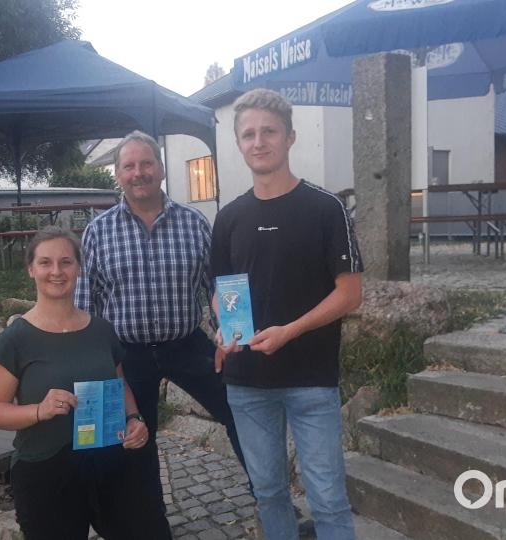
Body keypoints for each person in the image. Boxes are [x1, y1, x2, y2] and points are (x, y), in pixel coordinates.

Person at [211, 88, 364, 540]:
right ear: (239, 143)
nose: (259, 142)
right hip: (247, 383)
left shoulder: (326, 208)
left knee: (329, 499)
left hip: (311, 380)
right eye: (249, 134)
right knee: (269, 493)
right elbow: (223, 291)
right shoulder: (229, 218)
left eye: (269, 132)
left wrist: (290, 331)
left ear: (290, 137)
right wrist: (225, 325)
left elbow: (350, 294)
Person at [74, 130, 248, 517]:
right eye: (129, 165)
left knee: (241, 410)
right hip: (126, 353)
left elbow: (221, 285)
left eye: (146, 163)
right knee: (134, 439)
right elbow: (85, 306)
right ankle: (147, 521)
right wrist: (91, 366)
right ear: (117, 174)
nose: (139, 172)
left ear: (162, 169)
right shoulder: (98, 233)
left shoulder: (195, 223)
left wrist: (233, 334)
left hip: (187, 344)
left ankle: (269, 499)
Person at [0, 226, 168, 540]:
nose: (56, 271)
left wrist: (134, 419)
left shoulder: (102, 331)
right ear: (31, 270)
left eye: (66, 262)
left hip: (110, 462)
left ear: (78, 269)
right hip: (46, 471)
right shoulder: (16, 339)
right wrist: (39, 410)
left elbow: (119, 384)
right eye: (45, 262)